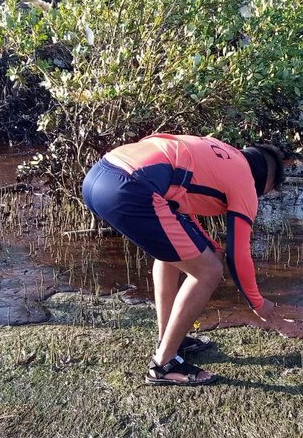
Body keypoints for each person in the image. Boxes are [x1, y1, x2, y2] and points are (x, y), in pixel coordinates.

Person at [81, 133, 285, 386]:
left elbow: (178, 210)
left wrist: (208, 244)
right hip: (130, 188)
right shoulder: (246, 181)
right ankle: (164, 365)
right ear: (267, 180)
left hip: (99, 174)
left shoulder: (221, 151)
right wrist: (257, 302)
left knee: (171, 256)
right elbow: (238, 253)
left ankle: (169, 339)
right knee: (209, 270)